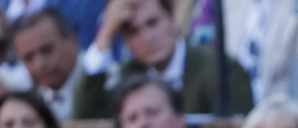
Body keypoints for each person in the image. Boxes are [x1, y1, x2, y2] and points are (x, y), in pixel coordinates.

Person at [74, 0, 254, 117]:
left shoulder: (219, 68)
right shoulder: (129, 74)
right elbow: (86, 118)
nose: (147, 37)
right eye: (134, 32)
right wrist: (105, 34)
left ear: (172, 19)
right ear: (127, 42)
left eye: (152, 23)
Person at [9, 7, 86, 121]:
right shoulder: (19, 88)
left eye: (47, 50)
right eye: (28, 58)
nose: (40, 64)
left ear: (73, 41)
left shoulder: (105, 80)